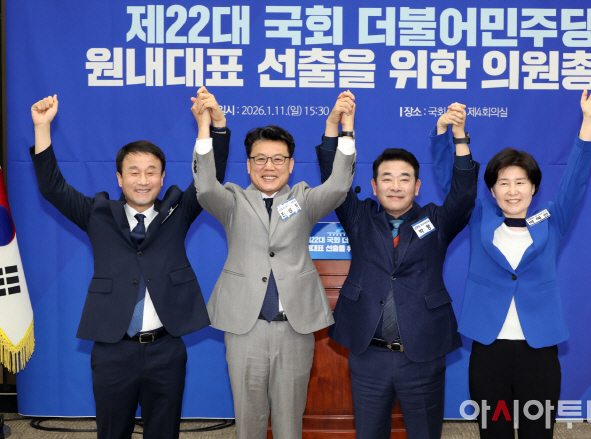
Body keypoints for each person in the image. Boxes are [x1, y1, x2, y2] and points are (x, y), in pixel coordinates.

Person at [29, 90, 229, 439]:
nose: (143, 180)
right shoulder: (96, 213)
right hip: (112, 349)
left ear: (162, 177)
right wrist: (42, 127)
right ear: (119, 179)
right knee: (111, 432)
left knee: (164, 432)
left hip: (166, 348)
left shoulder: (178, 211)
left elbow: (209, 182)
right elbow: (53, 188)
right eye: (133, 172)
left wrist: (211, 128)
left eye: (151, 172)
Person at [431, 82, 591, 438]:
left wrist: (589, 121)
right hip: (489, 349)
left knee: (537, 431)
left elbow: (575, 179)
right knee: (493, 431)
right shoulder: (480, 216)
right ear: (492, 190)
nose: (512, 191)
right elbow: (453, 182)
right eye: (503, 183)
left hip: (538, 350)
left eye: (520, 182)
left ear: (533, 187)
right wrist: (448, 135)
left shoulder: (552, 220)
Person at [191, 91, 356, 439]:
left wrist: (342, 128)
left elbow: (340, 185)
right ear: (249, 164)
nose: (269, 166)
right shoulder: (232, 200)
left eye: (278, 159)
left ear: (291, 164)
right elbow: (204, 188)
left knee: (288, 421)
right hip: (245, 327)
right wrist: (205, 126)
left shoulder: (303, 199)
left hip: (294, 328)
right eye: (261, 159)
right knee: (248, 420)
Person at [316, 92, 479, 439]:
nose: (395, 186)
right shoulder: (359, 217)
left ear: (417, 186)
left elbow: (464, 196)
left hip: (422, 352)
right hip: (368, 354)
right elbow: (334, 180)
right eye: (386, 178)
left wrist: (459, 138)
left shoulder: (436, 221)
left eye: (404, 178)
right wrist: (337, 128)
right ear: (374, 186)